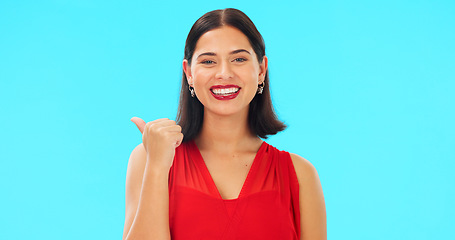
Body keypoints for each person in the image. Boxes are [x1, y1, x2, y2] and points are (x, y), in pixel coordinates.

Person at [123, 8, 326, 240]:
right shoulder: (149, 158)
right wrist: (157, 167)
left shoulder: (300, 175)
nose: (224, 73)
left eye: (238, 59)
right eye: (209, 61)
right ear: (189, 72)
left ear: (261, 69)